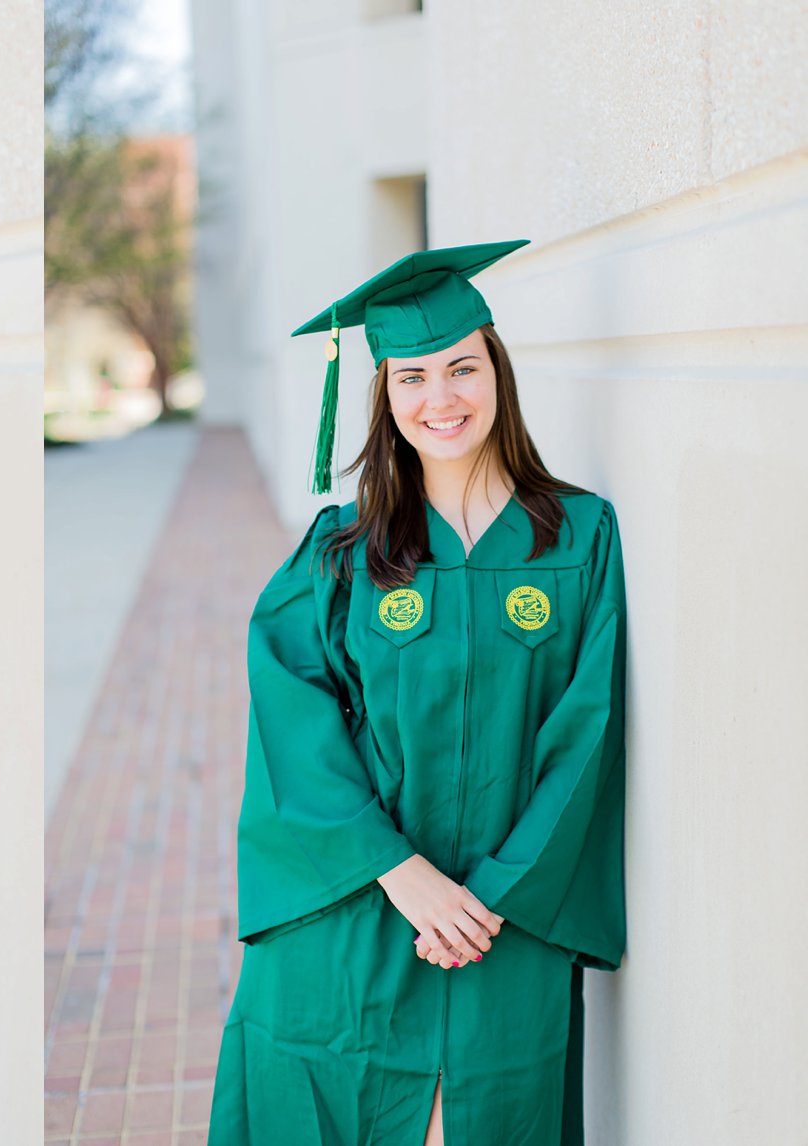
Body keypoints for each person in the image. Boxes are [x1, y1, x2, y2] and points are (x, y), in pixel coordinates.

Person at [208, 242, 627, 1145]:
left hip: (505, 919)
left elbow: (585, 734)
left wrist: (488, 900)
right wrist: (403, 877)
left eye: (462, 369)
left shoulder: (581, 536)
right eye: (412, 378)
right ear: (385, 398)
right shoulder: (341, 553)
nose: (441, 399)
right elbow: (292, 720)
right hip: (359, 904)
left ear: (498, 374)